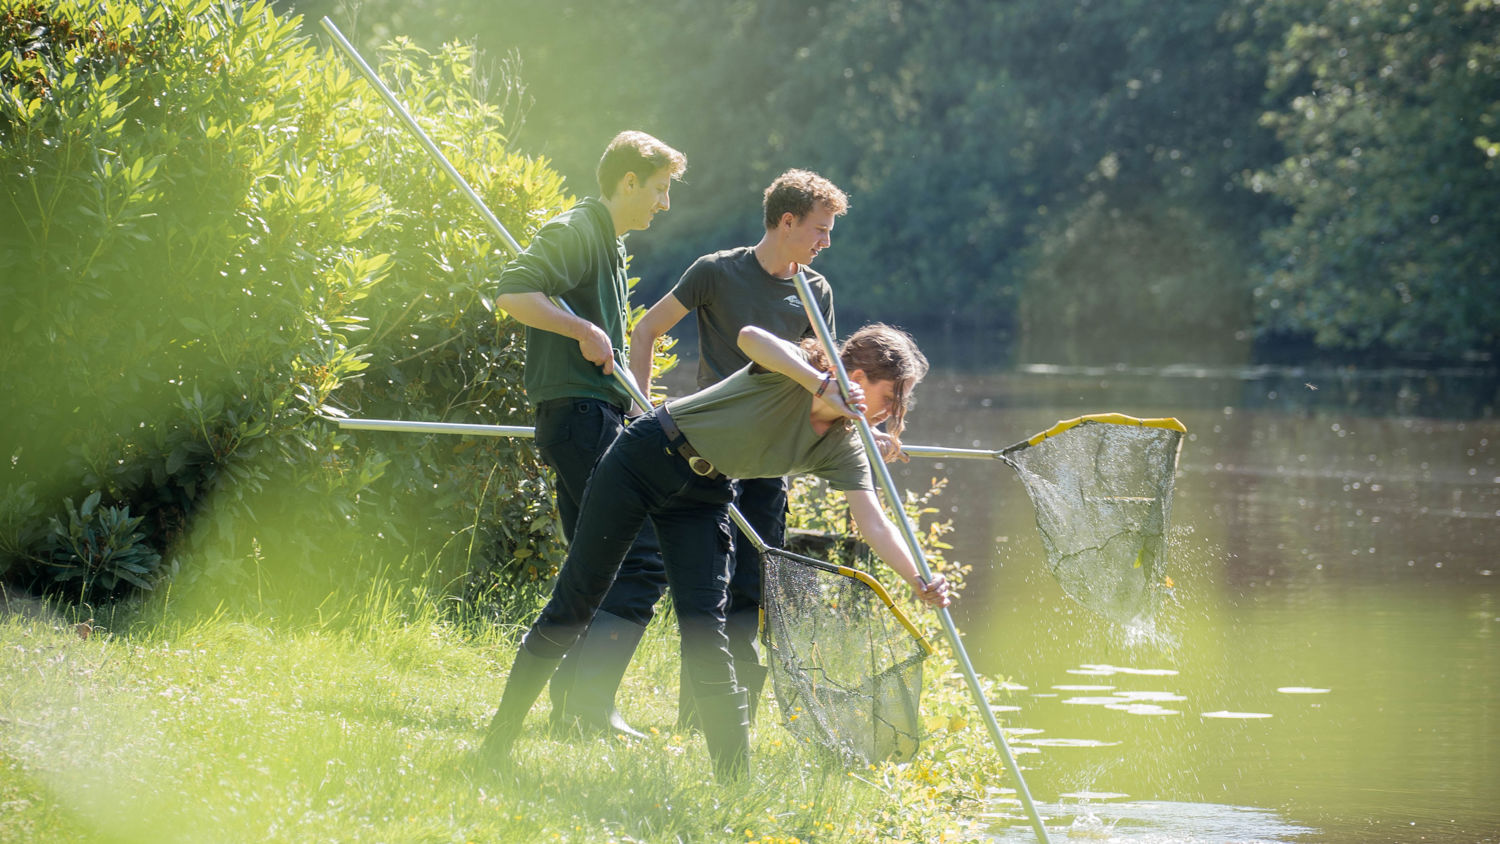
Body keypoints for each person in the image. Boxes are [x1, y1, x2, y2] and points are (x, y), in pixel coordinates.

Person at [478, 323, 951, 782]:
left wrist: (918, 579)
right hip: (643, 458)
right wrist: (821, 382)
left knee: (707, 632)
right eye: (888, 398)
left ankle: (734, 788)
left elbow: (874, 522)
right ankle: (496, 745)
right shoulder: (794, 370)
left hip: (703, 494)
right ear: (859, 376)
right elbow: (750, 336)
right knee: (576, 602)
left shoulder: (842, 446)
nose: (886, 415)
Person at [546, 169, 849, 735]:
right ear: (787, 222)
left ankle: (714, 724)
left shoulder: (817, 290)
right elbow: (645, 330)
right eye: (819, 230)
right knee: (682, 583)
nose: (825, 242)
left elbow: (824, 377)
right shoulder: (716, 271)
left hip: (770, 466)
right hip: (709, 454)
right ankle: (587, 704)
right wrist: (639, 410)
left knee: (748, 593)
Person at [492, 130, 685, 739]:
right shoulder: (578, 228)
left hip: (590, 415)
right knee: (644, 554)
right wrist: (579, 328)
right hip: (577, 417)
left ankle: (574, 707)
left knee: (594, 562)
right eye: (659, 190)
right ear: (628, 181)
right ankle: (588, 704)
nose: (664, 204)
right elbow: (511, 293)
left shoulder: (609, 242)